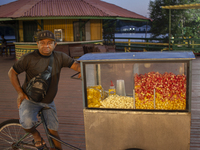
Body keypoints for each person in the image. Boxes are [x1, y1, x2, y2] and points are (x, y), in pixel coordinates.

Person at [8, 30, 81, 150]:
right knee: (26, 123)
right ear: (37, 44)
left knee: (53, 133)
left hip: (48, 101)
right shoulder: (29, 58)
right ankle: (36, 135)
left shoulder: (60, 57)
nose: (46, 45)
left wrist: (82, 70)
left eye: (49, 43)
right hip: (30, 99)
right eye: (42, 43)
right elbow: (12, 72)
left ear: (55, 45)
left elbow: (75, 65)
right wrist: (19, 92)